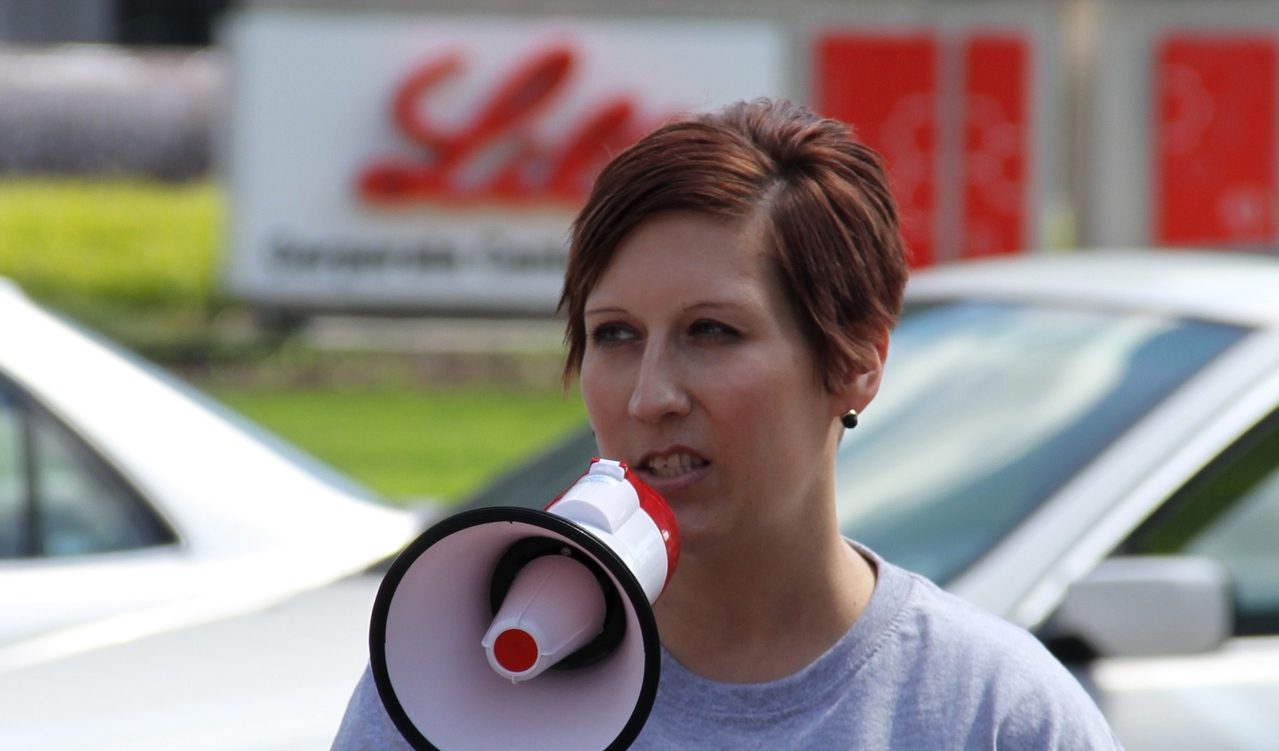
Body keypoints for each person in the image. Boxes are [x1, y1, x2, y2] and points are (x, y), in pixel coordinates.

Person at [332, 98, 1122, 750]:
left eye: (711, 331)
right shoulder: (445, 684)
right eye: (614, 334)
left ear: (857, 361)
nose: (650, 396)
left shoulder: (992, 714)